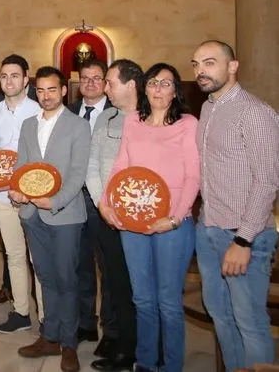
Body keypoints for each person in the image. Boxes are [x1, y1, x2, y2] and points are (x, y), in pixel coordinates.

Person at [102, 63, 199, 372]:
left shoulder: (188, 124)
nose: (158, 89)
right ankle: (145, 363)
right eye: (154, 82)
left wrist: (174, 218)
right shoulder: (133, 122)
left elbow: (193, 176)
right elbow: (120, 167)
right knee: (142, 299)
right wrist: (107, 204)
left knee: (168, 303)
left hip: (172, 224)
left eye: (166, 83)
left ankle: (171, 366)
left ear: (175, 91)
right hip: (134, 222)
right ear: (145, 88)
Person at [191, 40, 279, 372]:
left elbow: (268, 181)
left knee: (250, 320)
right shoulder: (208, 107)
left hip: (244, 236)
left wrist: (243, 241)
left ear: (232, 66)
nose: (201, 71)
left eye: (210, 63)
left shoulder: (255, 112)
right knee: (221, 317)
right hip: (209, 229)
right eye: (196, 64)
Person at [10, 66, 91, 372]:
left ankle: (69, 344)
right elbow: (22, 165)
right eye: (41, 90)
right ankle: (50, 336)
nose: (45, 96)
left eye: (52, 90)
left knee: (66, 280)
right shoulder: (29, 125)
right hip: (32, 214)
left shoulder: (78, 126)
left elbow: (77, 174)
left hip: (65, 215)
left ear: (64, 91)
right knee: (44, 278)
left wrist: (54, 201)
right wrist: (16, 190)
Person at [86, 59, 143, 371]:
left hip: (141, 220)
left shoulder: (151, 119)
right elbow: (92, 165)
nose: (105, 88)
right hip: (108, 216)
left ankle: (141, 348)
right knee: (115, 284)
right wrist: (102, 204)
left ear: (131, 85)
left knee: (141, 289)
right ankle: (121, 343)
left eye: (109, 82)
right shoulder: (106, 117)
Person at [0, 54, 44, 334]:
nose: (9, 81)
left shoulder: (38, 110)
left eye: (15, 75)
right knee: (14, 255)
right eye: (4, 76)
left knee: (37, 258)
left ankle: (46, 316)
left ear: (26, 80)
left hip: (32, 196)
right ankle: (21, 312)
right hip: (1, 195)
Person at [68, 59, 113, 347]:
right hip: (75, 199)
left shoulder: (119, 113)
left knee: (108, 268)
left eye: (97, 78)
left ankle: (111, 329)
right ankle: (85, 323)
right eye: (85, 78)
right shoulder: (70, 112)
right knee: (81, 264)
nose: (91, 82)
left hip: (106, 202)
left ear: (106, 82)